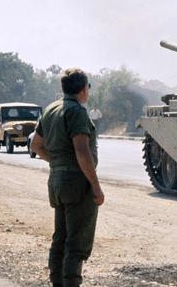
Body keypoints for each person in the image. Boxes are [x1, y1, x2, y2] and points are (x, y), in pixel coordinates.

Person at [31, 68, 104, 287]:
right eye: (88, 87)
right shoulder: (77, 112)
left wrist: (56, 163)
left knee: (60, 239)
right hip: (77, 184)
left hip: (57, 181)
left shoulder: (51, 109)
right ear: (83, 89)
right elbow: (82, 151)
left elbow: (35, 145)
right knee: (76, 243)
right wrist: (96, 187)